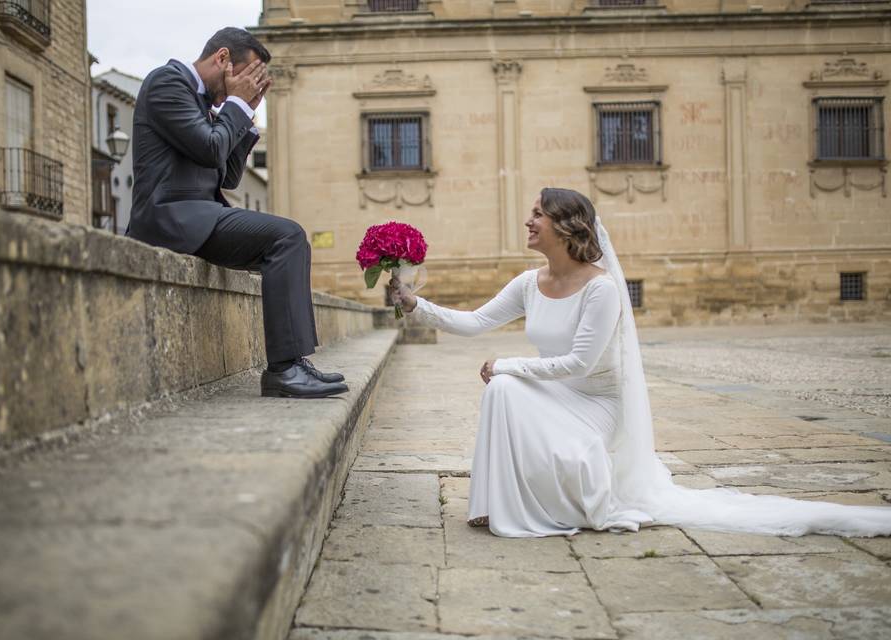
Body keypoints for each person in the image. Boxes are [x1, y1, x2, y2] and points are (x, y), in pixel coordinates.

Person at [389, 187, 891, 538]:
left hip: (598, 404)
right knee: (501, 389)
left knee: (503, 384)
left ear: (565, 226)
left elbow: (580, 363)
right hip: (560, 394)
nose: (528, 221)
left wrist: (510, 364)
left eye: (538, 213)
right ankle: (495, 507)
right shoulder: (528, 282)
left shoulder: (602, 289)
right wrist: (415, 305)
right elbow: (476, 322)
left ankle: (558, 503)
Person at [127, 27, 347, 399]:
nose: (251, 86)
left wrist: (246, 116)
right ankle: (284, 369)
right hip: (168, 218)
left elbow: (226, 174)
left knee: (286, 245)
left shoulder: (208, 103)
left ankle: (294, 362)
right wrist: (237, 106)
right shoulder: (168, 82)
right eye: (250, 76)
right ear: (223, 59)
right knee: (286, 235)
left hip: (200, 216)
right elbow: (211, 149)